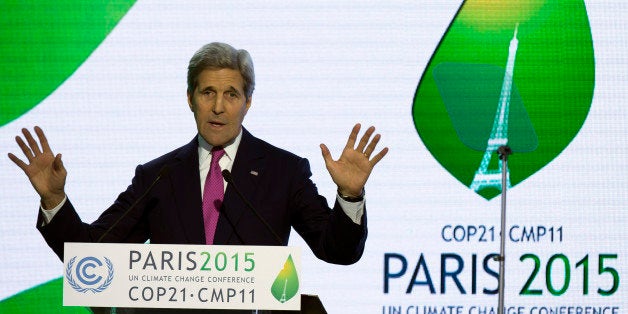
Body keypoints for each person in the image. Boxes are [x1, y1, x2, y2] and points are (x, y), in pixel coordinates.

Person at [9, 42, 388, 313]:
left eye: (231, 94)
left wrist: (350, 196)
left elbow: (336, 250)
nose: (219, 106)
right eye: (208, 92)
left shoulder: (283, 171)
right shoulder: (158, 176)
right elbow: (90, 255)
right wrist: (54, 200)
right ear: (190, 98)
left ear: (248, 102)